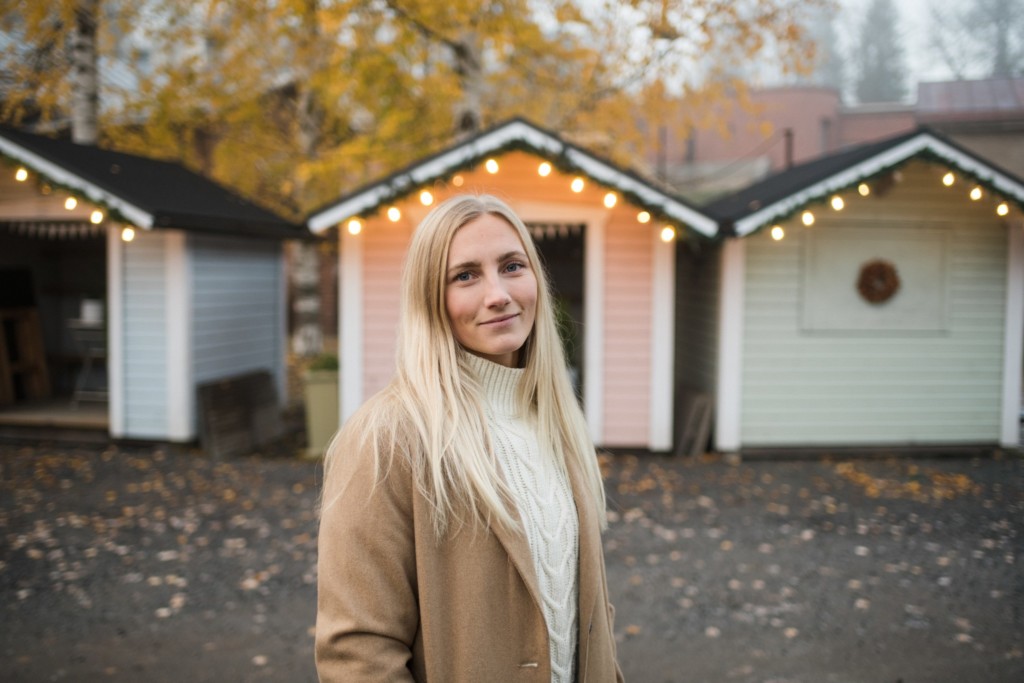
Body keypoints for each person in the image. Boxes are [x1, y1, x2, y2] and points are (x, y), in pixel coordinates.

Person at [315, 193, 624, 683]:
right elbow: (359, 652)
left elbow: (581, 607)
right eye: (465, 275)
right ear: (430, 299)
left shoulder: (554, 420)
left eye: (512, 266)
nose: (498, 293)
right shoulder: (386, 438)